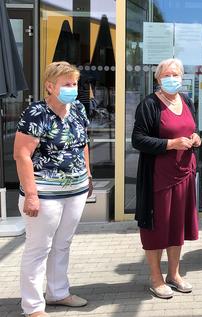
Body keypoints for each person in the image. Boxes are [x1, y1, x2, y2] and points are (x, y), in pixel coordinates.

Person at [14, 61, 92, 317]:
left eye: (75, 83)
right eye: (66, 84)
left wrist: (88, 175)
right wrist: (32, 195)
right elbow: (22, 155)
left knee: (63, 243)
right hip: (45, 193)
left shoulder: (78, 108)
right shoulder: (36, 112)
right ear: (50, 86)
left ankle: (58, 293)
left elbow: (83, 144)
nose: (72, 88)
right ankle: (33, 306)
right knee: (39, 248)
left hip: (76, 190)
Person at [132, 58, 200, 299]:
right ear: (158, 79)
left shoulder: (187, 101)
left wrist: (195, 137)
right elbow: (138, 140)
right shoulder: (149, 105)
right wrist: (170, 144)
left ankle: (174, 273)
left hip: (184, 175)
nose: (173, 79)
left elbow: (190, 127)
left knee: (176, 225)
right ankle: (156, 277)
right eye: (167, 75)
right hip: (158, 178)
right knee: (156, 227)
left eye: (176, 74)